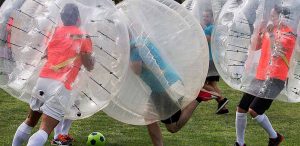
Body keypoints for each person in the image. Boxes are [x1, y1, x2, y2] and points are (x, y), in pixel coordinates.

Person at [12, 3, 94, 146]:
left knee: (30, 121)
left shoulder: (53, 31)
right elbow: (89, 65)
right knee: (44, 129)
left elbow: (45, 53)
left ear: (62, 17)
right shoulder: (82, 35)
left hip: (43, 80)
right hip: (61, 86)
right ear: (78, 17)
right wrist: (90, 58)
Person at [130, 34, 220, 146]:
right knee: (149, 117)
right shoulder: (142, 40)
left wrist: (124, 62)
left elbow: (136, 69)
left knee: (173, 127)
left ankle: (198, 97)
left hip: (166, 88)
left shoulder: (134, 46)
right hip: (162, 86)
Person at [234, 6, 296, 146]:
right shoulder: (270, 30)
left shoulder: (289, 35)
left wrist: (270, 34)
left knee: (254, 110)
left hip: (275, 78)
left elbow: (276, 51)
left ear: (282, 17)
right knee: (241, 108)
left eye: (273, 16)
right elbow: (255, 47)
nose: (271, 19)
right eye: (271, 16)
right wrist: (257, 34)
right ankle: (240, 143)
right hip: (260, 75)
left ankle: (275, 137)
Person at [202, 9, 229, 114]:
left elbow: (205, 41)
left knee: (201, 84)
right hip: (213, 59)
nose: (205, 18)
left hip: (210, 60)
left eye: (207, 16)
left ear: (212, 18)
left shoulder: (210, 29)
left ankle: (221, 99)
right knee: (212, 83)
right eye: (203, 16)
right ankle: (223, 107)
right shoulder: (212, 28)